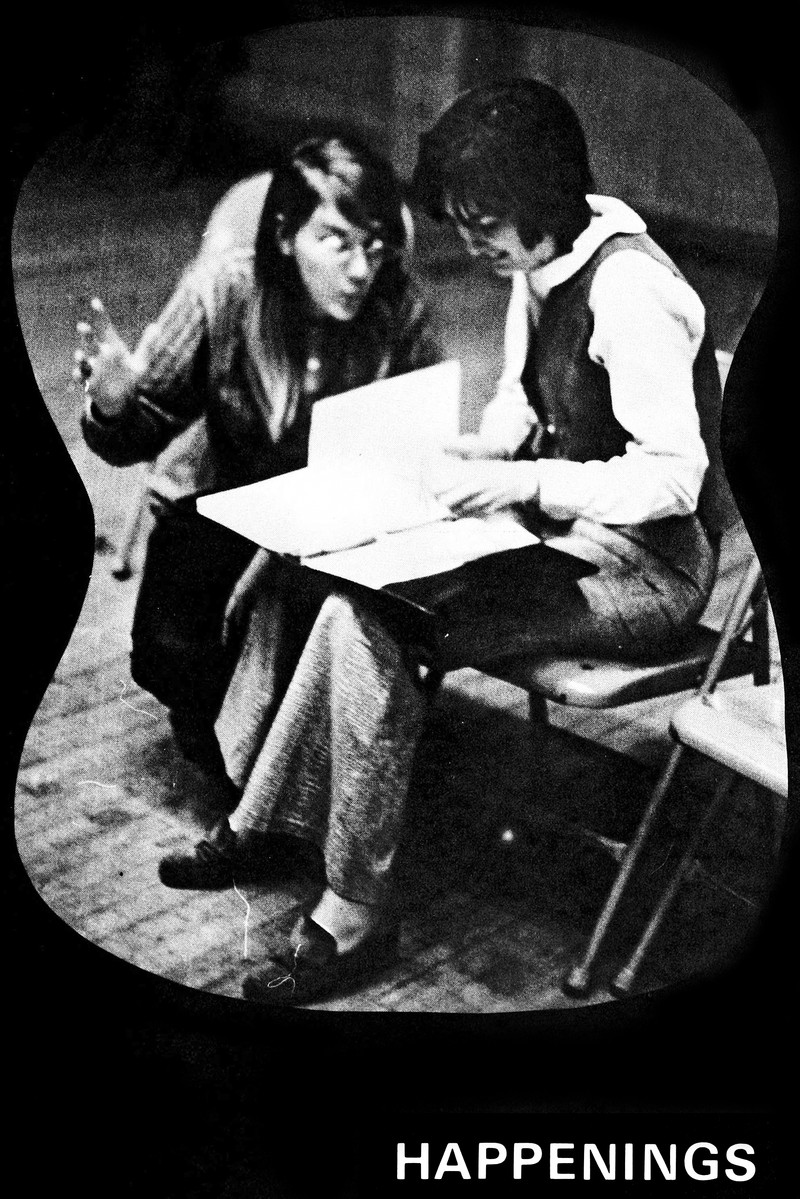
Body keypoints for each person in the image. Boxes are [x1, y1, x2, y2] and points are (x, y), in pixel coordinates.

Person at [157, 78, 730, 1006]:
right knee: (349, 592)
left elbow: (675, 480)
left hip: (647, 567)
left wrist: (526, 481)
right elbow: (520, 401)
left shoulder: (632, 289)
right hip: (569, 533)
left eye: (484, 224)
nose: (471, 246)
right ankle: (266, 822)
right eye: (462, 224)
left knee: (387, 624)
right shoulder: (544, 264)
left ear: (542, 201)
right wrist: (480, 450)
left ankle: (354, 911)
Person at [75, 133, 439, 791]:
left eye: (375, 245)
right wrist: (113, 403)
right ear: (284, 235)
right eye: (336, 241)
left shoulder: (399, 307)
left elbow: (414, 454)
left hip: (337, 532)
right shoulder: (225, 291)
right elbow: (135, 437)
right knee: (175, 653)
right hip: (227, 503)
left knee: (321, 668)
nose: (361, 269)